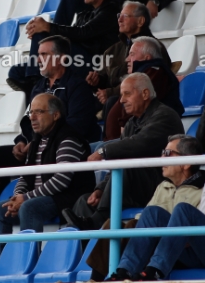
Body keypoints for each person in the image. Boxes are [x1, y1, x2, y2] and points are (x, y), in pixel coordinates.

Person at [112, 114, 205, 281]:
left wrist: (201, 230)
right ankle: (124, 272)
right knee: (152, 213)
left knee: (184, 210)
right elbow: (202, 217)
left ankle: (154, 271)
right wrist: (191, 233)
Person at [61, 73, 184, 230]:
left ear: (145, 94)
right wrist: (101, 189)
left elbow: (139, 143)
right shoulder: (132, 123)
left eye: (127, 94)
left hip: (162, 187)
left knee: (128, 166)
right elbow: (119, 159)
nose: (121, 100)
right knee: (85, 201)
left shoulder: (165, 115)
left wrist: (103, 151)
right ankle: (82, 241)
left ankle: (97, 221)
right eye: (121, 95)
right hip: (136, 187)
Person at [86, 135, 205, 281]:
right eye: (162, 152)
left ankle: (113, 278)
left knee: (132, 228)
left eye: (168, 153)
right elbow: (146, 218)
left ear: (186, 163)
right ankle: (97, 281)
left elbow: (195, 235)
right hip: (152, 242)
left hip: (176, 249)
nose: (162, 158)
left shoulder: (204, 189)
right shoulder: (163, 186)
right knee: (113, 226)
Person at [0, 94, 95, 234]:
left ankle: (27, 249)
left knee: (28, 207)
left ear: (55, 115)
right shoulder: (36, 140)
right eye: (31, 112)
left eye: (38, 112)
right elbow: (25, 176)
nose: (32, 117)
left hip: (67, 198)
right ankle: (0, 250)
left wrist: (25, 198)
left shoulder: (68, 138)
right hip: (39, 198)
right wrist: (17, 197)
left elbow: (61, 180)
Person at [8, 0, 119, 87]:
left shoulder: (111, 11)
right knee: (15, 72)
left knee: (44, 35)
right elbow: (70, 35)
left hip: (93, 67)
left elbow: (83, 33)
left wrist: (48, 28)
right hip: (71, 60)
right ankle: (37, 82)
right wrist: (45, 34)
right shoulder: (86, 13)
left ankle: (37, 81)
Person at [11, 35, 101, 157]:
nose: (38, 60)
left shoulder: (78, 87)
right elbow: (31, 119)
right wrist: (22, 140)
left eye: (44, 55)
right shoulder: (38, 87)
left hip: (69, 150)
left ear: (61, 59)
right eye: (38, 55)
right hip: (42, 148)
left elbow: (76, 126)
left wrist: (38, 143)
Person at [88, 1, 155, 138]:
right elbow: (104, 78)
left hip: (137, 103)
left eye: (125, 16)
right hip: (111, 99)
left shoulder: (151, 48)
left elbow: (145, 80)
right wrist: (97, 81)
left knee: (112, 101)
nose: (119, 19)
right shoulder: (112, 50)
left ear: (140, 21)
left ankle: (108, 146)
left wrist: (110, 92)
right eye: (119, 15)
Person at [121, 36, 183, 116]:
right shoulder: (149, 72)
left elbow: (139, 104)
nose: (127, 59)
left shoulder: (155, 72)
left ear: (147, 57)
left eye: (132, 54)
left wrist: (121, 121)